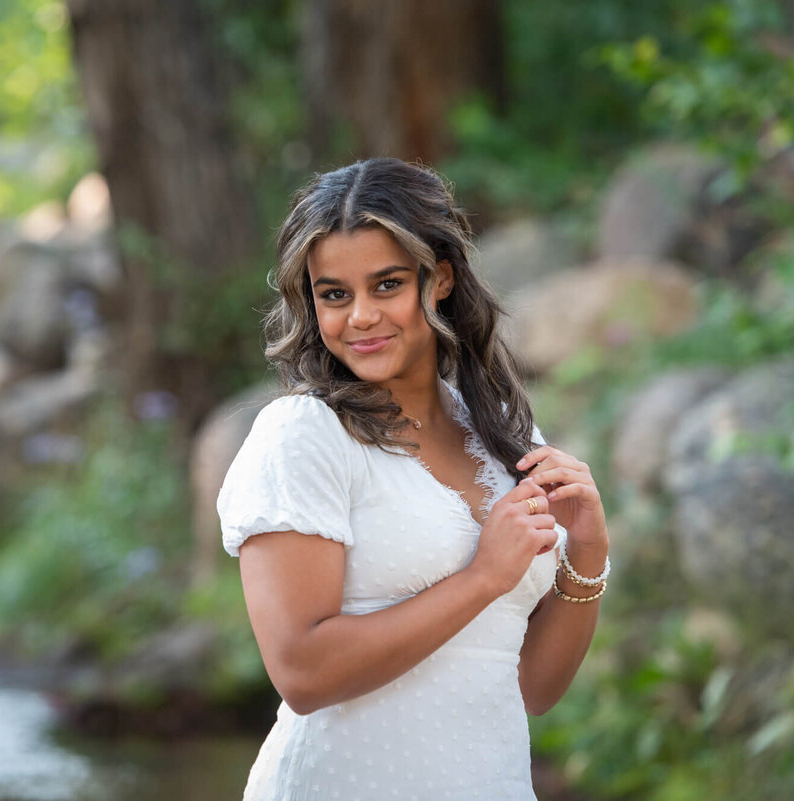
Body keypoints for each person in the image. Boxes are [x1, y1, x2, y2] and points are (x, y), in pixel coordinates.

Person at [216, 157, 610, 800]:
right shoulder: (304, 435)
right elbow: (303, 671)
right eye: (334, 294)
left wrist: (588, 550)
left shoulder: (505, 434)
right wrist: (483, 577)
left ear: (441, 280)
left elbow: (535, 689)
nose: (361, 316)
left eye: (387, 285)